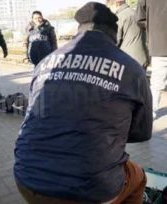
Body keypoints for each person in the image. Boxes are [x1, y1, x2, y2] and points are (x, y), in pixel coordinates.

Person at [14, 2, 152, 204]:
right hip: (91, 190)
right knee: (138, 177)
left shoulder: (46, 62)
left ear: (79, 29)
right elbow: (142, 133)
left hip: (26, 178)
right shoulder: (131, 68)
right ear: (114, 34)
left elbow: (36, 114)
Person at [136, 0, 167, 119]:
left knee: (157, 82)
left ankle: (151, 113)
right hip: (159, 42)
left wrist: (153, 26)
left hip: (159, 43)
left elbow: (139, 19)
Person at [106, 0, 149, 69]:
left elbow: (115, 41)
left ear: (116, 4)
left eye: (109, 7)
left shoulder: (119, 17)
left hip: (128, 60)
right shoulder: (135, 13)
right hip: (142, 58)